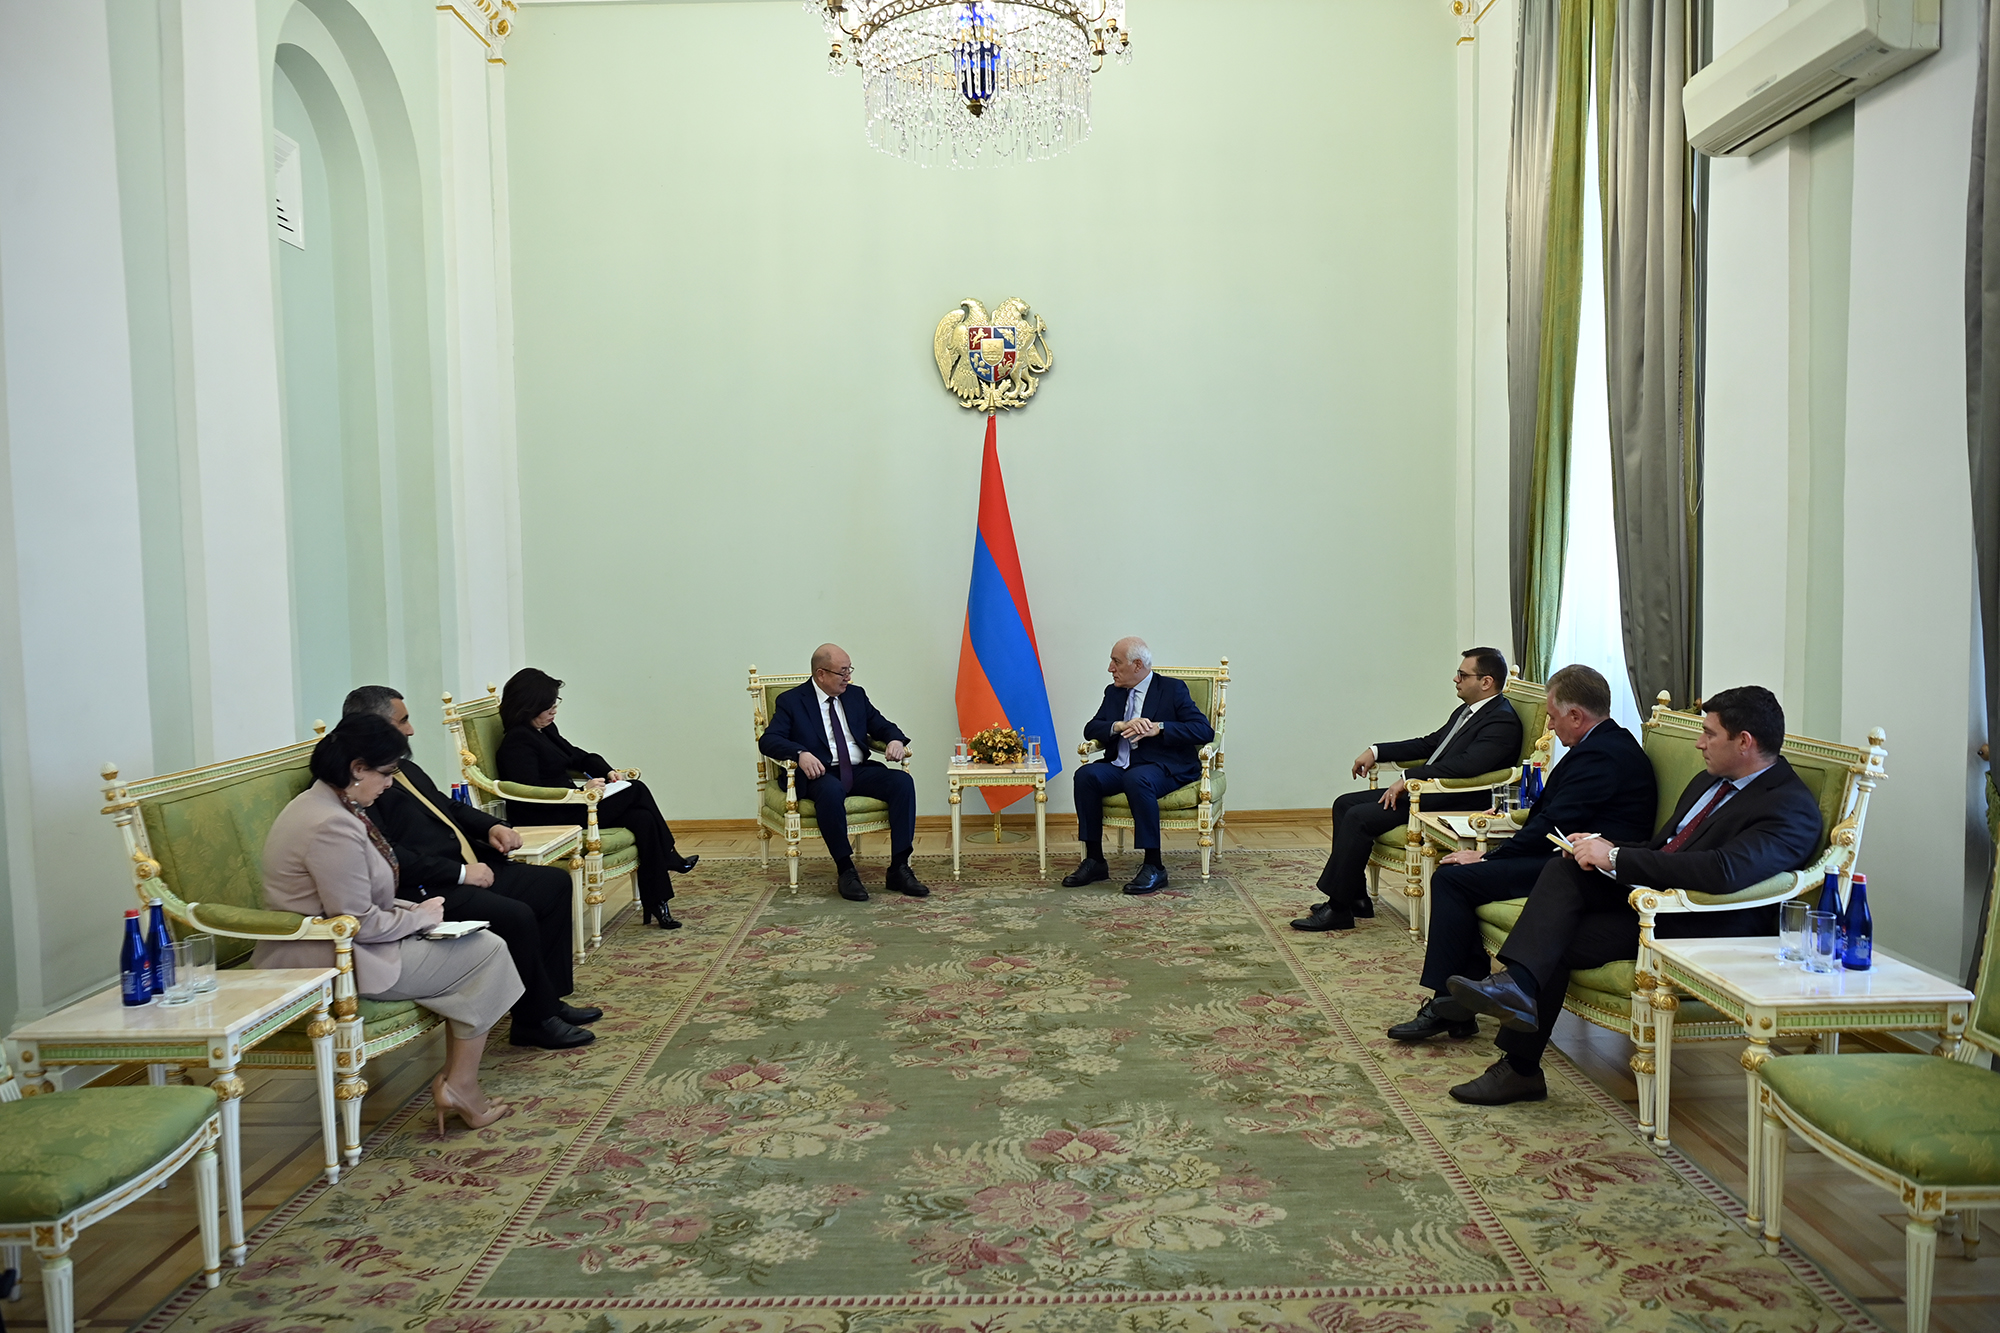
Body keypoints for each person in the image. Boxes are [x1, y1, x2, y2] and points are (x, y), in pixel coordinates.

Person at [1445, 685, 1823, 1106]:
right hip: (1652, 903)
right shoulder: (1710, 781)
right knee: (1564, 867)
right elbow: (1667, 849)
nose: (1699, 743)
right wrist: (1603, 846)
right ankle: (1516, 994)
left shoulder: (1789, 807)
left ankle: (1519, 1065)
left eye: (1709, 734)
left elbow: (1723, 871)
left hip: (1701, 922)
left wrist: (1616, 858)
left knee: (1552, 939)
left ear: (1745, 742)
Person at [254, 713, 523, 1132]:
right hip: (330, 958)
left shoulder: (328, 804)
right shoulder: (331, 824)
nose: (390, 783)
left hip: (347, 943)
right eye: (386, 773)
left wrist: (413, 914)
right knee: (488, 951)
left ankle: (459, 1083)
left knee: (481, 944)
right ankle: (460, 1085)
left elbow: (358, 901)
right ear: (357, 768)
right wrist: (416, 918)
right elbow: (355, 921)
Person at [1383, 664, 1655, 1045]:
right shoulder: (1602, 744)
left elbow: (1552, 826)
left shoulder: (1602, 756)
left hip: (1581, 872)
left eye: (1554, 717)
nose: (1551, 727)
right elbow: (1549, 814)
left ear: (1577, 716)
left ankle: (1449, 1004)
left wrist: (1489, 857)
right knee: (1455, 877)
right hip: (1563, 856)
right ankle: (1458, 1002)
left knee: (1454, 879)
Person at [343, 686, 601, 1052]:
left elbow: (449, 807)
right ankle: (534, 1022)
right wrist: (462, 874)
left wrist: (492, 826)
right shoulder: (357, 784)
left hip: (466, 866)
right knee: (516, 915)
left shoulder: (403, 768)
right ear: (374, 725)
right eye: (403, 721)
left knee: (553, 884)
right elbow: (390, 856)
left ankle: (548, 1001)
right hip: (427, 889)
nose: (411, 730)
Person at [1293, 648, 1525, 933]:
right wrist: (1376, 751)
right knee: (1344, 804)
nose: (1455, 679)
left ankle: (1338, 908)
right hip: (1428, 792)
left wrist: (1408, 778)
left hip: (1453, 799)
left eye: (1463, 675)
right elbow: (1430, 744)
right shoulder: (1468, 711)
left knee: (1358, 817)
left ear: (1486, 682)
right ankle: (1356, 898)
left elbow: (1467, 765)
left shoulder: (1501, 720)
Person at [495, 667, 697, 930]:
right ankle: (668, 853)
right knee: (635, 789)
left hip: (574, 805)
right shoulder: (517, 742)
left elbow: (578, 756)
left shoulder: (545, 730)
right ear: (528, 706)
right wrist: (580, 794)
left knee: (642, 818)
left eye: (555, 703)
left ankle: (658, 902)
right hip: (551, 814)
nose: (554, 710)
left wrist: (607, 771)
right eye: (548, 706)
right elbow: (532, 794)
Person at [757, 643, 929, 904]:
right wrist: (800, 753)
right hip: (820, 774)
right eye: (843, 671)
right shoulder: (792, 701)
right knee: (830, 789)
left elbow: (882, 725)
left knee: (901, 782)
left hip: (857, 770)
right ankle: (846, 870)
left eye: (850, 670)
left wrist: (895, 740)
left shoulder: (855, 695)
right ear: (821, 674)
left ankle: (899, 867)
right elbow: (769, 740)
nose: (848, 677)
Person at [1062, 637, 1215, 896]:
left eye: (1116, 662)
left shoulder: (1172, 689)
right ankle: (1095, 860)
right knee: (1086, 775)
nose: (1110, 668)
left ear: (1137, 665)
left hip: (1162, 766)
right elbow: (1091, 728)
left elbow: (1203, 730)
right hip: (1120, 765)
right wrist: (1118, 726)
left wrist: (1160, 728)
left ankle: (1154, 865)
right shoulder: (1113, 692)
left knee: (1137, 778)